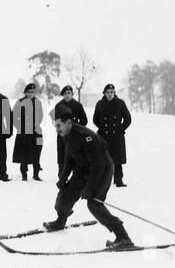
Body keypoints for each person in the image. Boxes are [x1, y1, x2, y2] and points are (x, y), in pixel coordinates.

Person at [44, 104, 133, 249]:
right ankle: (60, 221)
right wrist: (63, 178)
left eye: (58, 124)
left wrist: (89, 189)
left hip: (102, 169)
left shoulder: (86, 136)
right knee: (64, 196)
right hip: (83, 167)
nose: (56, 128)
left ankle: (123, 237)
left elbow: (98, 165)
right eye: (55, 125)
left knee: (94, 204)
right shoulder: (65, 134)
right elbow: (70, 158)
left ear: (68, 123)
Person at [93, 84, 131, 187]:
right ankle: (104, 181)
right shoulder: (100, 104)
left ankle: (118, 180)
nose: (110, 94)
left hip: (116, 136)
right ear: (104, 93)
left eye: (112, 92)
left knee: (117, 160)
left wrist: (120, 129)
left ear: (114, 93)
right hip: (104, 136)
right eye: (108, 92)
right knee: (104, 159)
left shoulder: (120, 103)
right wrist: (102, 128)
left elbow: (128, 119)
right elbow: (95, 119)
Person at [12, 83, 43, 181]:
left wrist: (36, 124)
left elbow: (41, 115)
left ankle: (36, 174)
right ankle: (24, 174)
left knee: (37, 153)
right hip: (23, 133)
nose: (30, 94)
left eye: (32, 92)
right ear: (25, 92)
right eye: (29, 92)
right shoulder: (20, 102)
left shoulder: (38, 102)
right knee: (23, 154)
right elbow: (13, 116)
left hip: (36, 132)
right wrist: (19, 127)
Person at [54, 85, 88, 177]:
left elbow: (84, 121)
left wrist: (77, 130)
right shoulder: (58, 106)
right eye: (65, 94)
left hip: (74, 136)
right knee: (62, 155)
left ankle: (75, 176)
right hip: (62, 135)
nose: (67, 95)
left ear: (72, 94)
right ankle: (61, 176)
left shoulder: (78, 105)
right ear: (62, 95)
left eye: (69, 93)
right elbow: (55, 121)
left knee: (75, 155)